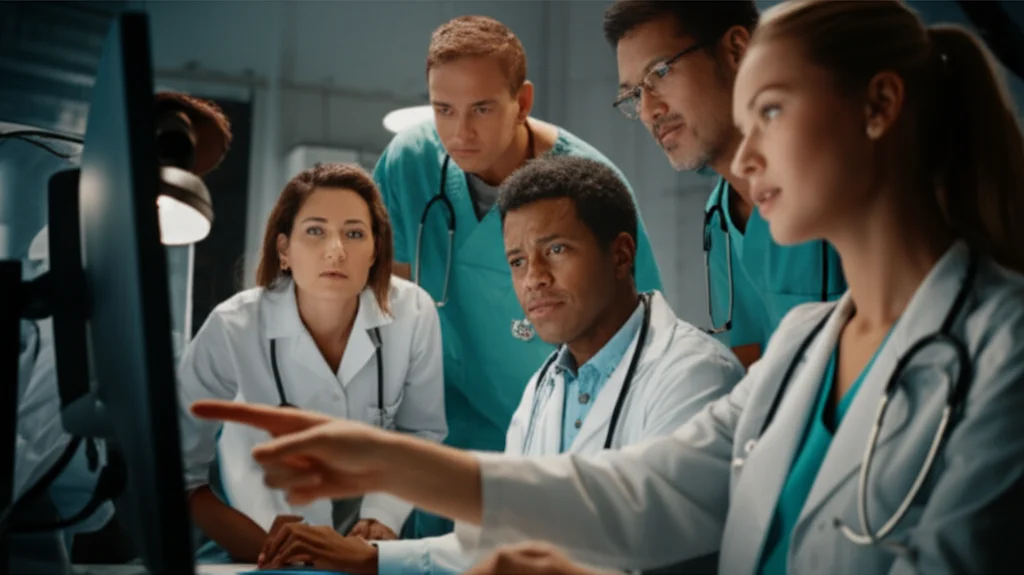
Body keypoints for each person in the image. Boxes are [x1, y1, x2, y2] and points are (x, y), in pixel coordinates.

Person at [190, 1, 1024, 573]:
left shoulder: (1004, 352)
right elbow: (641, 491)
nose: (746, 154)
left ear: (879, 106)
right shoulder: (805, 345)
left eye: (769, 110)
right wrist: (388, 461)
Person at [251, 156, 744, 573]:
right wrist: (373, 558)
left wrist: (392, 465)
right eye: (517, 261)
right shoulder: (543, 389)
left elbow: (646, 531)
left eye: (556, 250)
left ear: (620, 256)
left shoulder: (694, 376)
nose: (534, 279)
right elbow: (500, 538)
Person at [374, 16, 663, 538]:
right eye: (444, 109)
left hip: (545, 445)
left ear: (522, 101)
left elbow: (635, 341)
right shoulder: (409, 163)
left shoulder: (590, 187)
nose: (460, 133)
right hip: (433, 439)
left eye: (482, 108)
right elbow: (387, 305)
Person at [176, 163, 447, 563]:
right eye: (315, 231)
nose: (336, 250)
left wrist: (382, 518)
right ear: (284, 250)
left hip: (368, 546)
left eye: (354, 234)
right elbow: (177, 470)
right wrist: (259, 549)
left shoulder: (413, 313)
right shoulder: (234, 327)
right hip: (257, 541)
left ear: (375, 250)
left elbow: (420, 431)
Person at [11, 91, 232, 570]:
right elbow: (42, 428)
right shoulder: (72, 256)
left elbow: (64, 459)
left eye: (193, 174)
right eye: (179, 157)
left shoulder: (102, 270)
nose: (184, 180)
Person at [603, 0, 847, 367]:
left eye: (661, 72)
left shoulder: (837, 177)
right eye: (634, 94)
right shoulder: (720, 217)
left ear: (736, 49)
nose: (649, 111)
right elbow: (752, 358)